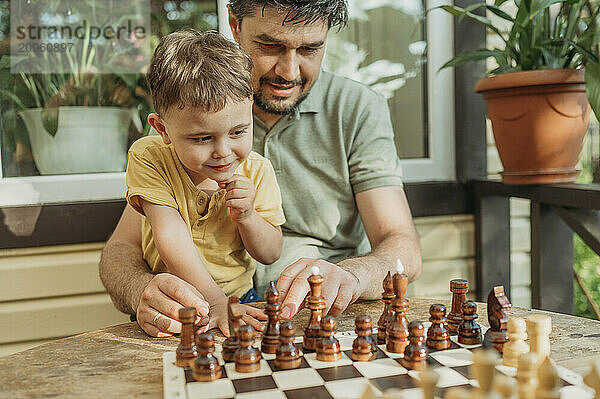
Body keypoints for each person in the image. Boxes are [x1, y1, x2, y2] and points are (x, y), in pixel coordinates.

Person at [99, 0, 422, 338]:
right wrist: (142, 290)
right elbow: (121, 251)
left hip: (321, 321)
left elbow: (404, 250)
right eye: (270, 46)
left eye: (310, 48)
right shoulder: (185, 110)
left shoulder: (357, 109)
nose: (289, 71)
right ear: (235, 24)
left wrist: (352, 276)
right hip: (213, 319)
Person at [124, 30, 285, 334]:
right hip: (171, 303)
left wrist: (248, 217)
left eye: (238, 132)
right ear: (163, 129)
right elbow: (169, 233)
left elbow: (270, 253)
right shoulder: (149, 157)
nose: (223, 152)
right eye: (202, 138)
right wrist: (213, 301)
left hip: (239, 300)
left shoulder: (258, 170)